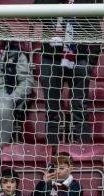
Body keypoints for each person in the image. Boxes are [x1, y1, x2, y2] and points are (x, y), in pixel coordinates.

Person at [35, 0, 102, 144]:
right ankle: (52, 150)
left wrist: (90, 63)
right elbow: (34, 15)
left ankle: (84, 151)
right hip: (51, 58)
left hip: (79, 59)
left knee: (80, 108)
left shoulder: (86, 1)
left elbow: (97, 33)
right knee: (51, 109)